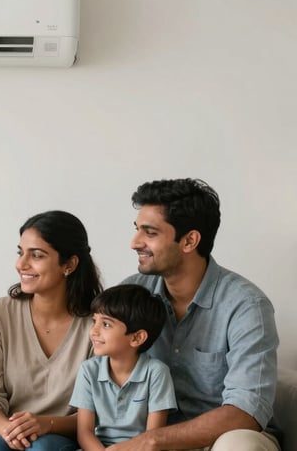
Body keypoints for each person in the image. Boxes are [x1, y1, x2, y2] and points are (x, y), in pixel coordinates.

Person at [115, 178, 280, 451]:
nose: (135, 242)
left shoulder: (247, 306)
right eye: (137, 230)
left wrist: (152, 441)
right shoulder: (131, 293)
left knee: (238, 446)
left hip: (222, 438)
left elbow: (246, 412)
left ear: (190, 240)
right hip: (145, 433)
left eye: (150, 233)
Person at [0, 210, 104, 451]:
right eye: (20, 253)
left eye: (36, 255)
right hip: (1, 431)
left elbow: (101, 409)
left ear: (69, 264)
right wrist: (10, 430)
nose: (21, 264)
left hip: (60, 435)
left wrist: (46, 424)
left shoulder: (99, 324)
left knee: (43, 448)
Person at [69, 284, 176, 450]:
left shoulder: (157, 373)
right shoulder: (88, 370)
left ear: (137, 338)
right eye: (94, 321)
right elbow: (84, 433)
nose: (93, 331)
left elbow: (153, 436)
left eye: (106, 325)